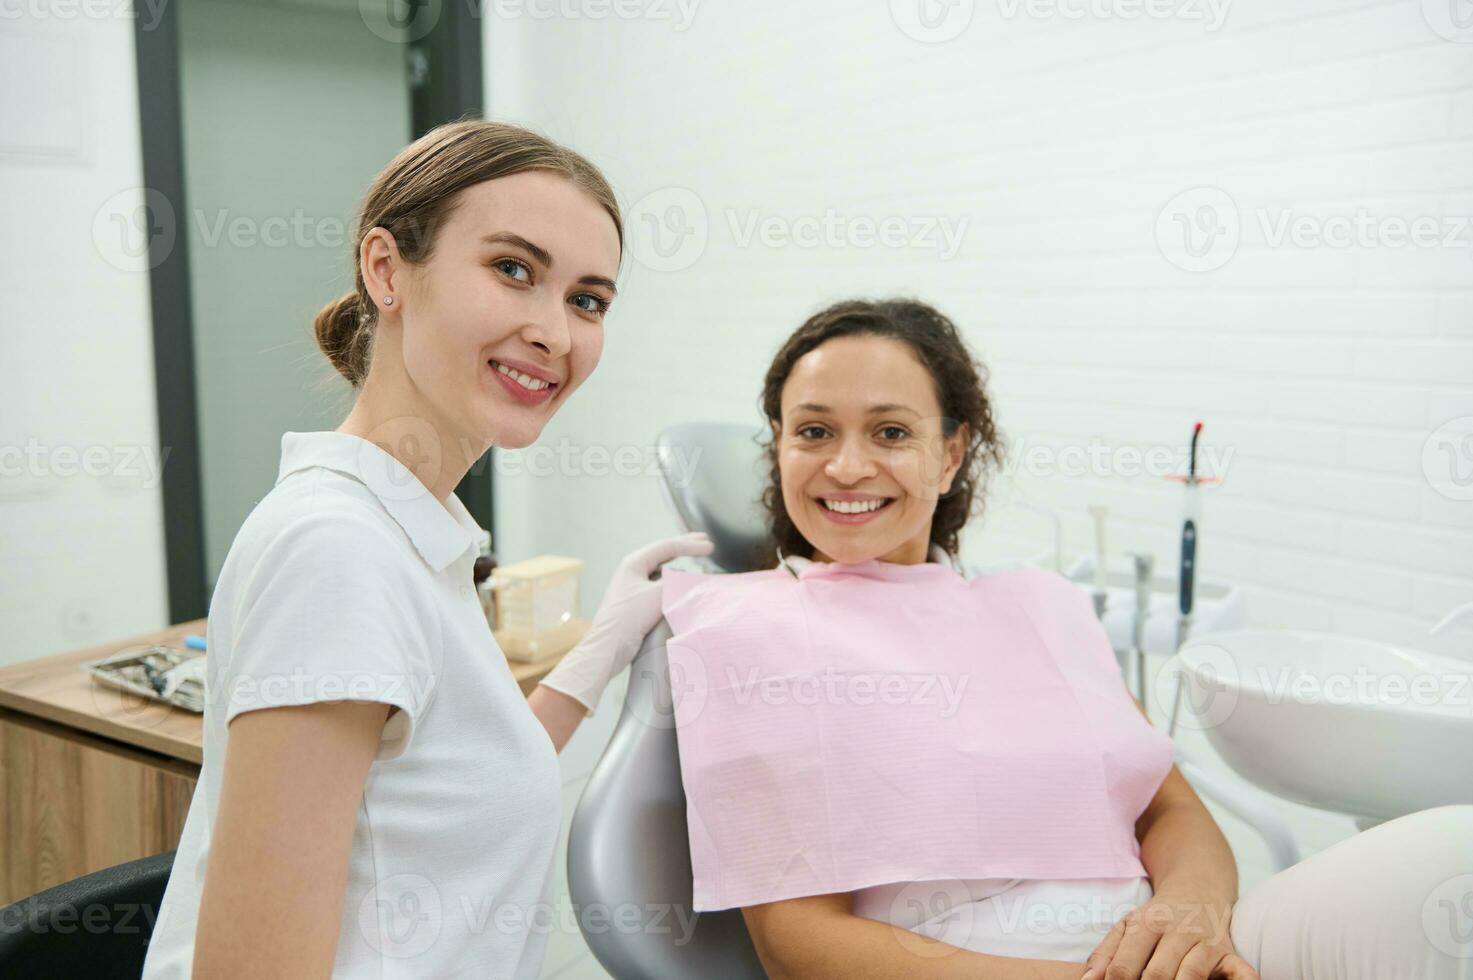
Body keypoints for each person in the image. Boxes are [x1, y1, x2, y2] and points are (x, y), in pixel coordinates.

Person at [683, 297, 1473, 980]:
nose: (847, 467)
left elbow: (1168, 809)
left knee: (1452, 851)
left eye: (890, 432)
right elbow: (798, 947)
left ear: (951, 454)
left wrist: (1189, 913)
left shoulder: (1038, 604)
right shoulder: (751, 627)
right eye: (813, 431)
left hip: (1158, 949)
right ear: (779, 447)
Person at [142, 119, 711, 978]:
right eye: (513, 270)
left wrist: (601, 649)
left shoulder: (408, 534)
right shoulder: (337, 552)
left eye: (587, 300)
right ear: (386, 271)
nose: (555, 334)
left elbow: (442, 791)